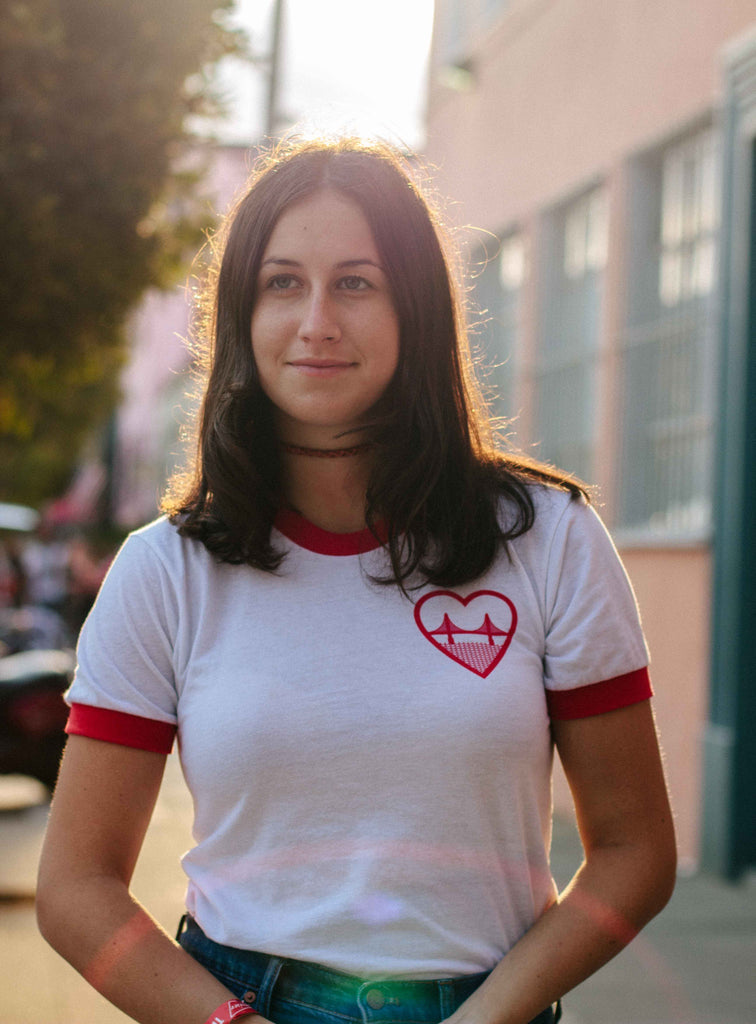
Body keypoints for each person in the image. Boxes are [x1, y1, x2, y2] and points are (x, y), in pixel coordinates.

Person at [37, 136, 676, 1024]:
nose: (318, 322)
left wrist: (493, 1016)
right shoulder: (165, 570)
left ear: (414, 306)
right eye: (283, 282)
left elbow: (637, 849)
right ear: (241, 315)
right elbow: (75, 888)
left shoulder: (550, 540)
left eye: (357, 282)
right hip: (236, 1004)